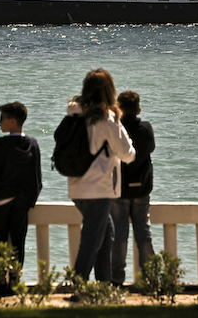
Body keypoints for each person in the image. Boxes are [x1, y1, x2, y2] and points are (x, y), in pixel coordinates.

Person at [64, 69, 135, 287]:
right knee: (91, 240)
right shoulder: (107, 118)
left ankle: (104, 285)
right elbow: (126, 153)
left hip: (77, 186)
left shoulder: (73, 114)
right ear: (109, 90)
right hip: (100, 188)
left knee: (106, 234)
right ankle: (78, 286)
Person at [0, 101, 42, 293]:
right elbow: (36, 177)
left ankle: (0, 283)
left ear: (12, 122)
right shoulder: (33, 144)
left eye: (2, 118)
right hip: (22, 203)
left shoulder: (0, 145)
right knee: (18, 244)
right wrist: (31, 199)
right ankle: (15, 281)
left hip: (0, 202)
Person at [110, 90, 156, 285]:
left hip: (119, 188)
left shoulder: (115, 130)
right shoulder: (145, 129)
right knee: (143, 231)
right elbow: (150, 148)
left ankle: (116, 278)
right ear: (138, 109)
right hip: (141, 188)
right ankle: (150, 277)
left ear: (118, 109)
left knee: (119, 233)